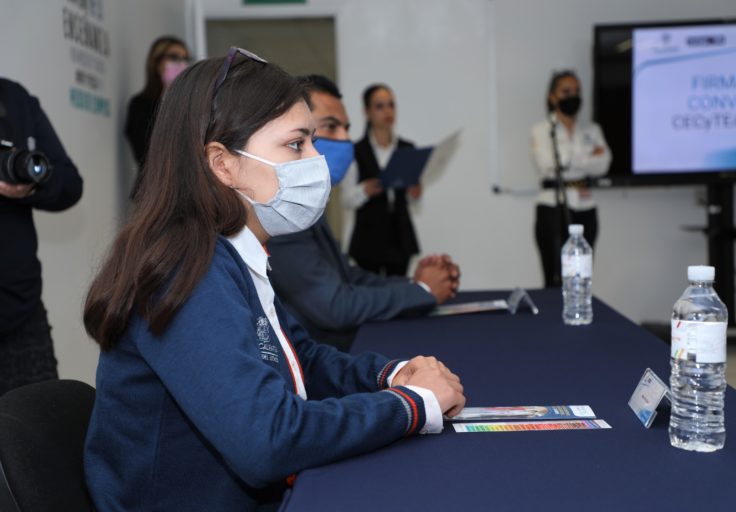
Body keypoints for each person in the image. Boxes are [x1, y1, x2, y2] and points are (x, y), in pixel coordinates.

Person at [83, 48, 465, 510]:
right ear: (222, 163)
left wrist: (391, 375)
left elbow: (300, 359)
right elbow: (268, 440)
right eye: (296, 145)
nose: (315, 161)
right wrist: (411, 405)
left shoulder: (230, 251)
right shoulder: (186, 271)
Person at [267, 75, 460, 352]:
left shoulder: (306, 204)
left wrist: (416, 284)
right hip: (319, 360)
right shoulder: (281, 217)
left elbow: (347, 277)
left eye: (346, 128)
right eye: (331, 127)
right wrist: (423, 291)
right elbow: (336, 306)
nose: (345, 140)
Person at [0, 78, 83, 395]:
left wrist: (28, 187)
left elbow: (70, 184)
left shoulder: (14, 99)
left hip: (21, 310)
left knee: (39, 421)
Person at [530, 70, 611, 287]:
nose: (572, 96)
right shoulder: (542, 130)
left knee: (581, 277)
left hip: (586, 206)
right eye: (566, 92)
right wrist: (587, 155)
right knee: (554, 277)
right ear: (552, 97)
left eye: (577, 91)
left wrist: (572, 158)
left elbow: (603, 164)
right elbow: (548, 163)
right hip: (551, 207)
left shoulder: (592, 129)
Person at [342, 83, 422, 276]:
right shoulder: (356, 150)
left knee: (399, 288)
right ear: (367, 112)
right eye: (380, 106)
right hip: (368, 238)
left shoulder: (407, 148)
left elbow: (414, 202)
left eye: (391, 105)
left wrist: (415, 193)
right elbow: (346, 199)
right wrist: (364, 190)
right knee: (369, 290)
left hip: (400, 236)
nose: (387, 111)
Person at [124, 36, 189, 196]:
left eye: (185, 58)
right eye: (174, 57)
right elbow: (145, 152)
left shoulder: (193, 103)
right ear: (156, 62)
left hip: (190, 190)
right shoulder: (141, 105)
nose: (181, 63)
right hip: (154, 192)